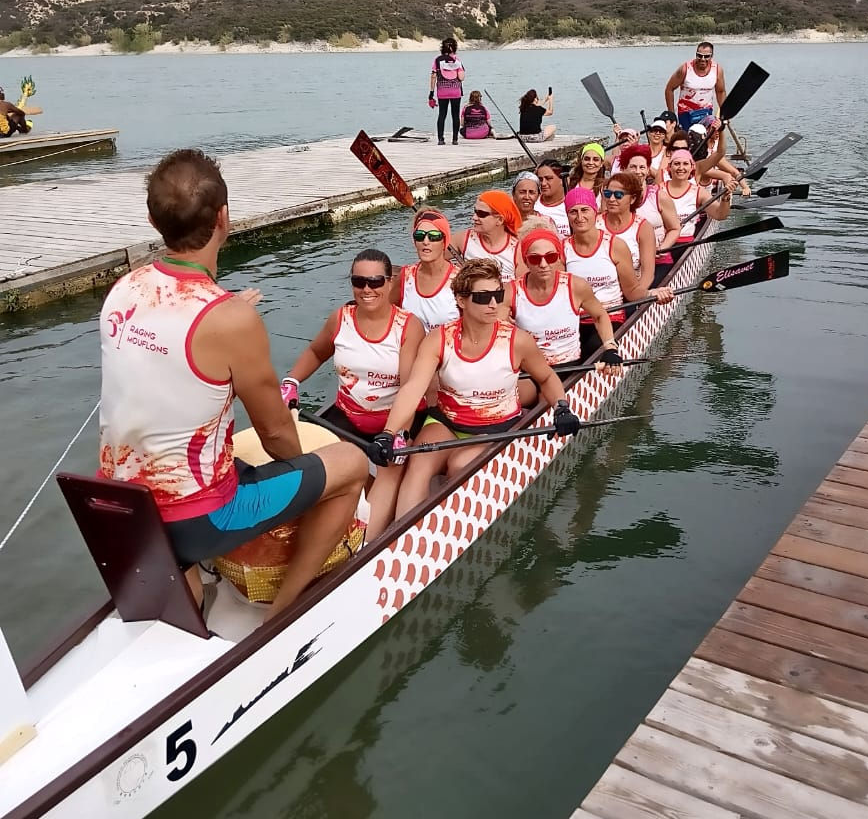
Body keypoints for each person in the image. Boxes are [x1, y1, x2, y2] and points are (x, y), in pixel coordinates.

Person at [97, 149, 367, 619]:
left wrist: (225, 310)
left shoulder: (125, 287)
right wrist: (309, 474)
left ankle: (187, 597)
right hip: (198, 518)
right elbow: (277, 435)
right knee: (350, 464)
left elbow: (171, 334)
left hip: (120, 507)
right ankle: (281, 615)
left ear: (152, 219)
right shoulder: (231, 320)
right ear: (224, 217)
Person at [369, 259, 580, 517]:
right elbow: (414, 388)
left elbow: (546, 378)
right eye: (483, 297)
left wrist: (562, 407)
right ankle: (402, 539)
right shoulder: (438, 339)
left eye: (497, 295)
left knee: (459, 465)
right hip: (447, 422)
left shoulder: (517, 341)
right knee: (418, 464)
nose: (493, 304)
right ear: (461, 300)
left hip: (496, 427)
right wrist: (389, 433)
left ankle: (450, 516)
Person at [281, 249, 424, 538]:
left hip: (395, 422)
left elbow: (410, 387)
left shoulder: (409, 326)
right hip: (348, 416)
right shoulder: (340, 319)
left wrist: (397, 434)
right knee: (316, 469)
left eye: (375, 282)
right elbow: (315, 352)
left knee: (387, 472)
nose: (367, 289)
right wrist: (291, 381)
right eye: (359, 282)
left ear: (389, 283)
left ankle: (364, 546)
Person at [508, 230, 622, 402]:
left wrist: (610, 347)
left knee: (546, 402)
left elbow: (600, 316)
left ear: (559, 258)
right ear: (525, 261)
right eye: (535, 259)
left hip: (568, 366)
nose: (544, 264)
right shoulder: (510, 291)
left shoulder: (576, 286)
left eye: (551, 257)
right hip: (530, 370)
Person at [563, 187, 672, 356]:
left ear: (595, 212)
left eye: (585, 210)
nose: (579, 217)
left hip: (611, 316)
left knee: (593, 349)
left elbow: (632, 292)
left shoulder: (615, 246)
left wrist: (653, 293)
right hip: (574, 321)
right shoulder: (562, 249)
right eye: (573, 212)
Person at [619, 143, 681, 282]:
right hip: (627, 264)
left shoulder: (660, 196)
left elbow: (675, 228)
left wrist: (662, 248)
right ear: (624, 169)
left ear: (648, 170)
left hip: (658, 261)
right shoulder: (615, 198)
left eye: (642, 167)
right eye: (633, 167)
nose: (638, 171)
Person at [392, 208, 460, 330]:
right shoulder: (405, 277)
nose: (426, 241)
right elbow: (387, 314)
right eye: (419, 236)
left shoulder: (461, 279)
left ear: (445, 241)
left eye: (434, 237)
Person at [598, 170, 658, 287]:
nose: (611, 199)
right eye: (608, 194)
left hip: (632, 290)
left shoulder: (644, 228)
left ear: (632, 199)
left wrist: (638, 296)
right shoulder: (594, 223)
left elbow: (647, 275)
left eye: (618, 195)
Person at [663, 146, 732, 243]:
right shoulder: (658, 190)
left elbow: (720, 215)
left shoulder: (698, 192)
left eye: (685, 164)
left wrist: (725, 198)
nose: (681, 168)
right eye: (677, 164)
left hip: (684, 244)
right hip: (661, 242)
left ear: (692, 167)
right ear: (670, 167)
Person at [452, 190, 521, 283]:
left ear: (500, 220)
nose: (474, 217)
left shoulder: (518, 249)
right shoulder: (463, 239)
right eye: (475, 211)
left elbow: (521, 288)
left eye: (481, 214)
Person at [664, 41, 726, 131]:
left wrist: (724, 114)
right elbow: (669, 89)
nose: (702, 59)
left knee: (709, 135)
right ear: (696, 55)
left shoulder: (717, 70)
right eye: (699, 55)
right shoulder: (685, 69)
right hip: (686, 114)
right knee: (688, 141)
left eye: (706, 56)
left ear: (711, 56)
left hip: (706, 113)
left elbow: (720, 92)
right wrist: (672, 115)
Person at [428, 36, 465, 145]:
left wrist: (431, 93)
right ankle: (455, 139)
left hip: (442, 92)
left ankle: (440, 139)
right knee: (455, 115)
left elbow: (433, 76)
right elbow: (462, 77)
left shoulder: (437, 60)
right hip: (455, 92)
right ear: (454, 48)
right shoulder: (457, 60)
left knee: (442, 115)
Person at [534, 159, 570, 238]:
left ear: (562, 180)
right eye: (540, 179)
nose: (543, 183)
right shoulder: (532, 203)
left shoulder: (573, 204)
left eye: (549, 178)